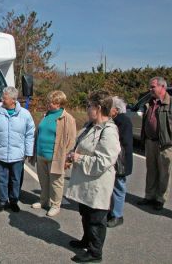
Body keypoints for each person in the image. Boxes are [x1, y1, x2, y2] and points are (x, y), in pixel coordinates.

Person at [65, 90, 121, 263]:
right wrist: (73, 154)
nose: (87, 109)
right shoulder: (91, 126)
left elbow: (103, 161)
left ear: (98, 107)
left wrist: (78, 158)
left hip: (97, 184)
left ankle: (95, 253)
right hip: (86, 182)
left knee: (96, 219)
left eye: (89, 106)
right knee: (86, 214)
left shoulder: (109, 131)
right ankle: (86, 240)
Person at [0, 86, 35, 213]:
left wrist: (28, 152)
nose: (2, 99)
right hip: (0, 154)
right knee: (2, 179)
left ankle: (14, 201)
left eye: (4, 98)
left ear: (13, 100)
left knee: (16, 179)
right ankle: (2, 201)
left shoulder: (25, 114)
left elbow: (30, 134)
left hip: (18, 155)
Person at [31, 90, 76, 217]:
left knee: (56, 182)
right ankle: (43, 200)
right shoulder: (46, 115)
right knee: (43, 180)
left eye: (52, 102)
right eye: (48, 101)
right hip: (41, 154)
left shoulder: (67, 118)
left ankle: (55, 205)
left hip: (56, 156)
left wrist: (68, 159)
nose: (49, 104)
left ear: (59, 103)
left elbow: (71, 141)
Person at [137, 76, 172, 211]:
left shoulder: (170, 103)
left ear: (162, 87)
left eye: (153, 86)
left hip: (165, 144)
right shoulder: (150, 102)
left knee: (164, 173)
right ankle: (149, 196)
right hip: (150, 142)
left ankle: (160, 199)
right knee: (151, 170)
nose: (150, 89)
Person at [108, 96, 133, 228]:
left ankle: (117, 215)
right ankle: (111, 211)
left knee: (118, 187)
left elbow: (124, 143)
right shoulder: (114, 120)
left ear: (116, 110)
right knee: (112, 187)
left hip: (120, 160)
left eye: (109, 107)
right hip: (115, 159)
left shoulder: (123, 121)